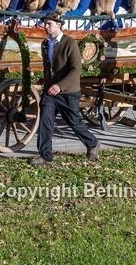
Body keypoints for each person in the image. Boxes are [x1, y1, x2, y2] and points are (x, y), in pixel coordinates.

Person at [32, 12, 100, 166]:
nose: (46, 26)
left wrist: (60, 86)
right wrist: (47, 84)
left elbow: (76, 70)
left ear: (59, 25)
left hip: (69, 92)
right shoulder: (45, 44)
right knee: (46, 121)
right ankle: (45, 156)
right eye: (45, 23)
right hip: (51, 92)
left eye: (49, 24)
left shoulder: (70, 43)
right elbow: (48, 68)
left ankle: (93, 143)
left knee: (74, 121)